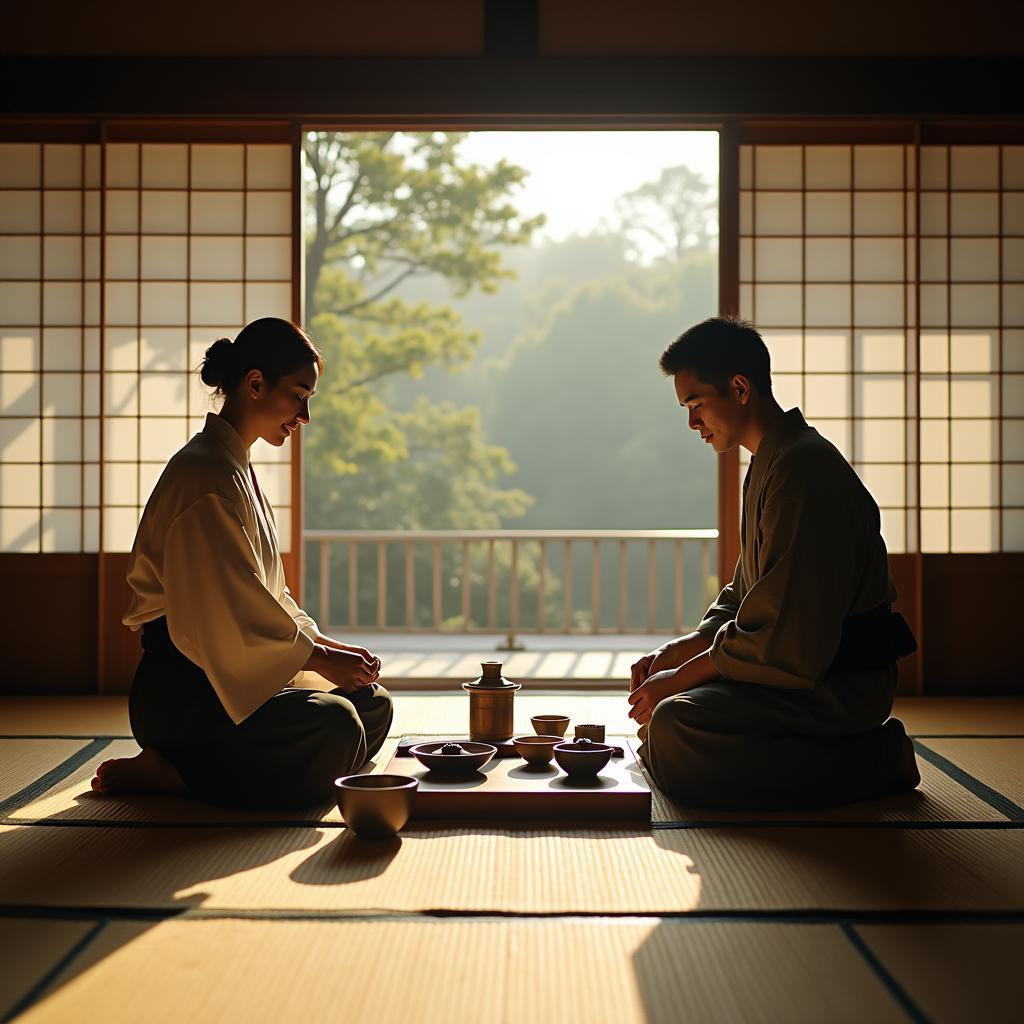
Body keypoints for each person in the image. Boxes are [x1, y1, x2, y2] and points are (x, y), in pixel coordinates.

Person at [91, 318, 393, 809]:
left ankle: (234, 768)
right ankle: (178, 773)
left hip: (235, 673)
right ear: (255, 384)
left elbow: (268, 598)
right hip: (188, 694)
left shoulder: (233, 468)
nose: (305, 415)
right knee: (336, 725)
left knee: (371, 705)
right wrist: (315, 660)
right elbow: (222, 614)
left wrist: (324, 646)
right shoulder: (203, 475)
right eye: (299, 395)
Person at [629, 316, 919, 810]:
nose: (692, 423)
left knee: (678, 726)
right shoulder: (773, 462)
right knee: (672, 723)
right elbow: (745, 595)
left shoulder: (803, 470)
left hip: (838, 682)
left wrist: (680, 679)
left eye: (696, 404)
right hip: (802, 671)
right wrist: (682, 650)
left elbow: (783, 639)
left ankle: (873, 760)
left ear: (739, 388)